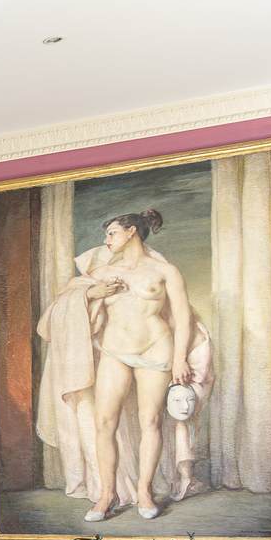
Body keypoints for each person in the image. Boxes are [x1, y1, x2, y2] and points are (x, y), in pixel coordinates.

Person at [35, 209, 211, 521]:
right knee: (104, 422)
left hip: (156, 349)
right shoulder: (103, 271)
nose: (107, 240)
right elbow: (63, 303)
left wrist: (179, 358)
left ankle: (144, 491)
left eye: (112, 233)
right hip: (115, 351)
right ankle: (107, 494)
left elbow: (183, 318)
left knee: (150, 421)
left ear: (131, 232)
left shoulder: (165, 271)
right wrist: (93, 292)